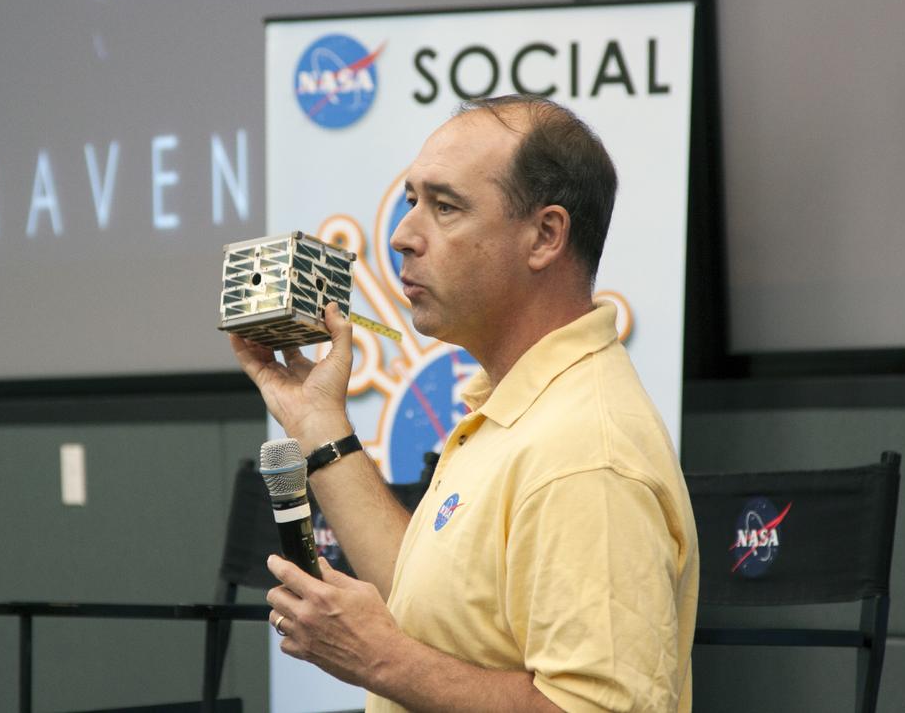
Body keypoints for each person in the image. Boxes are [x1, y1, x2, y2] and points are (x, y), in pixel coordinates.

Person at [230, 94, 699, 712]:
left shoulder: (586, 452)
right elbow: (433, 605)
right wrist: (318, 424)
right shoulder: (522, 407)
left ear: (545, 236)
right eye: (411, 201)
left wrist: (382, 659)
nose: (401, 236)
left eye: (445, 207)